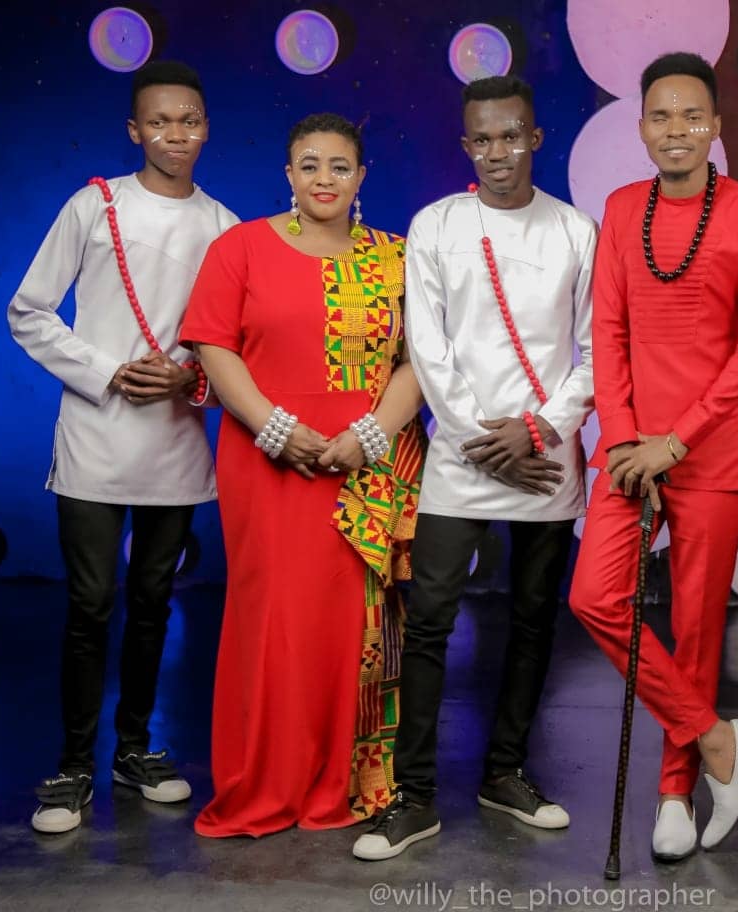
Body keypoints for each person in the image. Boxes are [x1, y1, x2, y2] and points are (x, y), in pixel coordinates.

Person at [350, 75, 597, 862]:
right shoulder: (437, 225)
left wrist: (541, 430)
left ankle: (505, 774)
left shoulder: (575, 231)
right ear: (466, 145)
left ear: (536, 138)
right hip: (462, 459)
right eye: (482, 139)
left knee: (533, 620)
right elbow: (428, 346)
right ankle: (415, 797)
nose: (497, 151)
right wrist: (481, 440)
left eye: (511, 135)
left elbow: (594, 349)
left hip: (545, 460)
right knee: (429, 622)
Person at [8, 60, 238, 835]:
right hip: (95, 437)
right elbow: (29, 311)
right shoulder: (93, 205)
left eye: (189, 120)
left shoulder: (224, 226)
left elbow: (233, 342)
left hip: (175, 441)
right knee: (90, 604)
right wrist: (106, 371)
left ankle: (133, 750)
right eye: (160, 121)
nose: (176, 134)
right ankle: (73, 765)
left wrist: (187, 378)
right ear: (135, 130)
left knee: (153, 603)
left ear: (206, 129)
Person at [180, 113, 426, 837]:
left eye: (339, 166)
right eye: (309, 165)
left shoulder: (396, 257)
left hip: (365, 469)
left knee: (352, 626)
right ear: (288, 174)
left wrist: (369, 437)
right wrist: (275, 428)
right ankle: (264, 781)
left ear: (362, 176)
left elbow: (423, 361)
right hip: (267, 463)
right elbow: (213, 345)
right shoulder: (240, 247)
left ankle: (342, 780)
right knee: (273, 620)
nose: (324, 179)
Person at [568, 52, 738, 862]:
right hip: (631, 452)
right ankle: (718, 737)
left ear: (716, 125)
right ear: (641, 127)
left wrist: (678, 439)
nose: (677, 130)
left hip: (710, 452)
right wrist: (627, 437)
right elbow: (608, 330)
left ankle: (674, 794)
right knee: (596, 598)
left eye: (693, 115)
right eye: (661, 116)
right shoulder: (622, 209)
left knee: (695, 630)